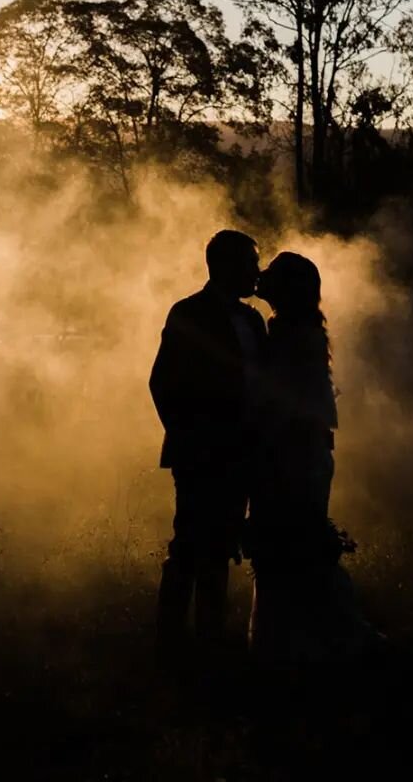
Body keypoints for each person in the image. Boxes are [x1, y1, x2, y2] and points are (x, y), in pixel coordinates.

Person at [247, 251, 375, 664]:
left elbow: (281, 406)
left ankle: (303, 644)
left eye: (270, 276)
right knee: (296, 546)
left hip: (293, 456)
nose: (258, 279)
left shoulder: (288, 336)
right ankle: (314, 640)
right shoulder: (299, 331)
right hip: (304, 455)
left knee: (291, 547)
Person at [149, 229, 268, 652]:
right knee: (189, 546)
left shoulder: (254, 320)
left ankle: (209, 639)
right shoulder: (188, 314)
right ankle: (170, 642)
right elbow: (162, 383)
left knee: (220, 547)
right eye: (251, 263)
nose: (257, 272)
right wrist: (190, 437)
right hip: (201, 453)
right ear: (224, 266)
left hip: (242, 453)